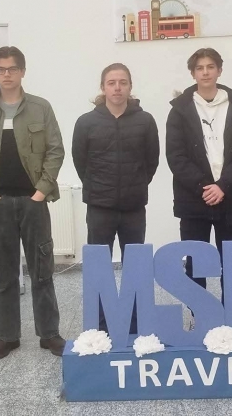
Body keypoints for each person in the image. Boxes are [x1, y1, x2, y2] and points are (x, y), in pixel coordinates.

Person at [0, 46, 66, 359]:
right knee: (5, 274)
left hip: (33, 202)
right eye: (1, 69)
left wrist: (40, 192)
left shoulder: (40, 108)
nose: (6, 74)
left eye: (12, 69)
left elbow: (55, 151)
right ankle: (8, 337)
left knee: (42, 271)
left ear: (22, 71)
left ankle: (49, 334)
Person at [72, 63, 159, 333]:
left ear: (130, 86)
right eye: (111, 83)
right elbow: (80, 162)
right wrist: (99, 188)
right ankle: (101, 325)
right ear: (103, 87)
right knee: (99, 268)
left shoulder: (145, 121)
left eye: (123, 82)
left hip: (134, 207)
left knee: (135, 267)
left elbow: (152, 161)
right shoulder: (86, 122)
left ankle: (134, 324)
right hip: (100, 207)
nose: (117, 88)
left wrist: (135, 185)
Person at [166, 48, 232, 306]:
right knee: (196, 263)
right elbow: (176, 156)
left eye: (210, 67)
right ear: (192, 73)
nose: (205, 72)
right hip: (193, 200)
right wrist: (205, 187)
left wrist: (223, 186)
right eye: (199, 68)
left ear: (219, 70)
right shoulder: (179, 111)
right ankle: (200, 316)